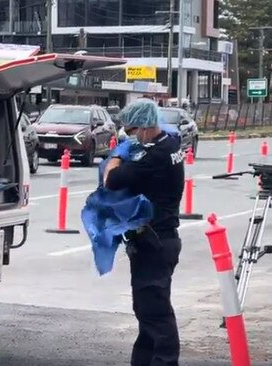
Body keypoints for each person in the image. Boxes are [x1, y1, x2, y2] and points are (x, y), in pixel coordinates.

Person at [103, 99, 184, 366]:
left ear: (146, 127)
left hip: (155, 241)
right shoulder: (169, 144)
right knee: (147, 309)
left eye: (131, 131)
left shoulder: (155, 157)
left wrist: (117, 155)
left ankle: (164, 361)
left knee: (155, 312)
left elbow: (111, 180)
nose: (130, 136)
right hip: (162, 239)